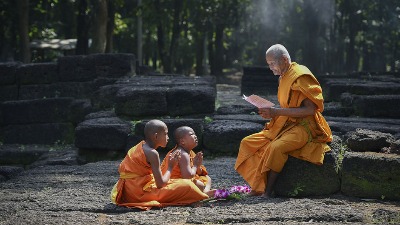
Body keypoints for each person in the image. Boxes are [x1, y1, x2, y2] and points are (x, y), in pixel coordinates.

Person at [235, 44, 332, 198]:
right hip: (285, 123)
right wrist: (271, 113)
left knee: (276, 147)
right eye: (269, 64)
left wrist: (277, 112)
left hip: (304, 127)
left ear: (285, 60)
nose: (270, 68)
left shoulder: (301, 76)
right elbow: (289, 104)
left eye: (272, 64)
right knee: (248, 142)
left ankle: (268, 191)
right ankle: (257, 186)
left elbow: (310, 110)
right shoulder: (284, 76)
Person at [110, 120, 209, 210]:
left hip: (131, 189)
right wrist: (170, 166)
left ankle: (210, 193)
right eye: (165, 134)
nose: (168, 137)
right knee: (188, 186)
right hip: (139, 193)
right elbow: (160, 184)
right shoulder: (152, 153)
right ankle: (213, 194)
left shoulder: (142, 146)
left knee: (189, 184)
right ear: (156, 136)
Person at [161, 126, 215, 197]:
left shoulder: (190, 152)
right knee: (200, 184)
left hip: (184, 180)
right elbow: (187, 176)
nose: (195, 136)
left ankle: (205, 191)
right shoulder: (182, 154)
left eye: (195, 134)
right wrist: (195, 165)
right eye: (191, 134)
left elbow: (198, 173)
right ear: (182, 141)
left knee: (207, 178)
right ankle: (203, 193)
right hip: (175, 182)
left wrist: (198, 165)